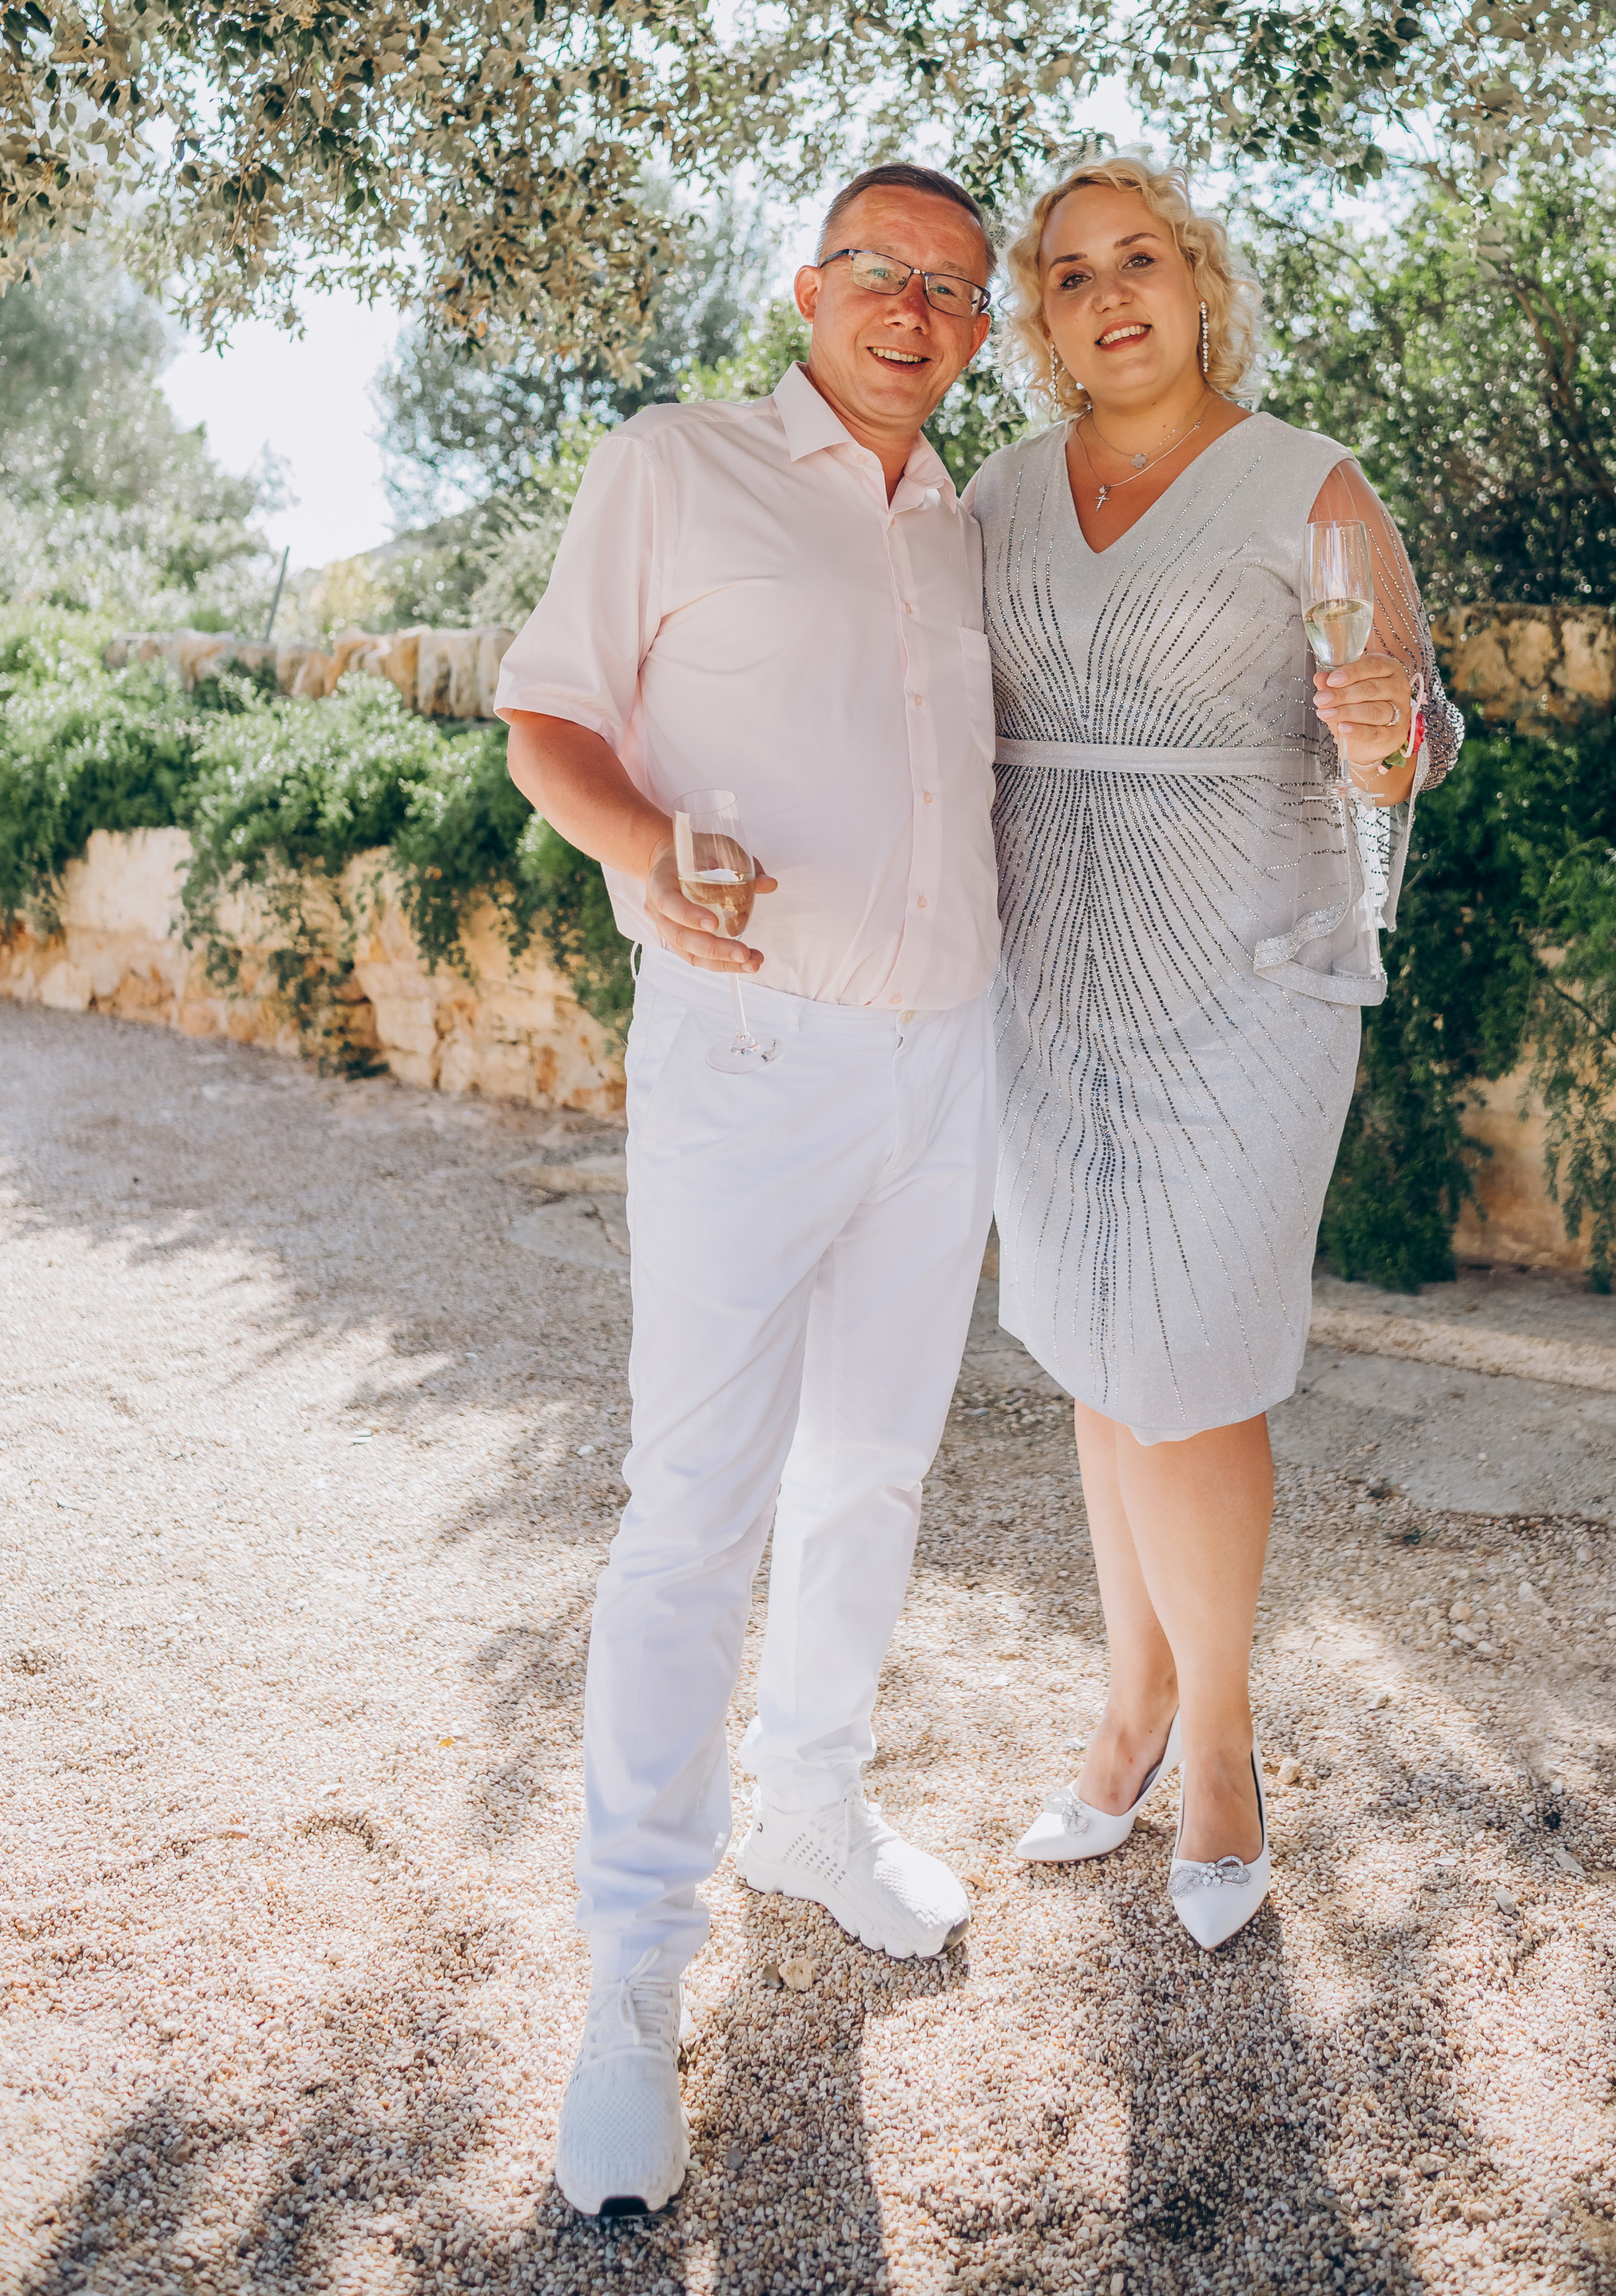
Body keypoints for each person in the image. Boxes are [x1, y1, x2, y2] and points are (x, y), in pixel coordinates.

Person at [495, 163, 1002, 2215]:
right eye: (880, 270)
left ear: (979, 330)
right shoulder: (673, 463)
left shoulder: (970, 521)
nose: (913, 308)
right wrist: (648, 849)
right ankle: (632, 1981)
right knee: (690, 1508)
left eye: (953, 288)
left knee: (871, 1468)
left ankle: (810, 1809)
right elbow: (545, 724)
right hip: (748, 1057)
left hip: (945, 1064)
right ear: (809, 288)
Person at [966, 157, 1462, 1950]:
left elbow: (1405, 744)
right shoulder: (998, 493)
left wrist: (1386, 732)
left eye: (1141, 259)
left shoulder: (1307, 480)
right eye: (1071, 272)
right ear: (1041, 316)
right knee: (1101, 1357)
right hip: (1046, 973)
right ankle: (1128, 1711)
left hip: (1245, 975)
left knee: (1189, 1359)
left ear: (1197, 282)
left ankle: (1223, 1757)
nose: (1111, 295)